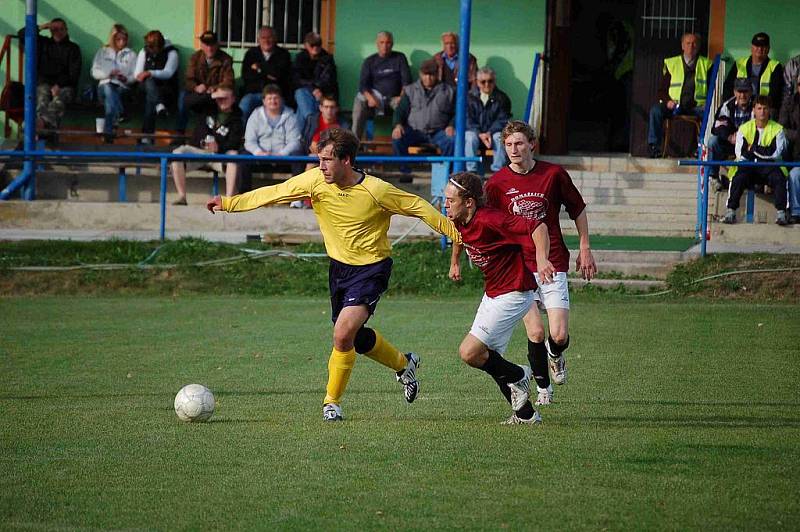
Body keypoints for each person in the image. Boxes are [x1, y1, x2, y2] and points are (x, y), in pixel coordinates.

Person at [206, 127, 463, 422]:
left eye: (328, 159)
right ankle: (405, 364)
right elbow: (275, 193)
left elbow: (418, 206)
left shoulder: (375, 190)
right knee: (352, 337)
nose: (322, 166)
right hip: (339, 270)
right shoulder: (315, 181)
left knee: (342, 334)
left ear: (347, 160)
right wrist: (229, 203)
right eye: (320, 159)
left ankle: (332, 403)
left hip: (372, 268)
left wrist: (459, 233)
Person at [450, 120, 597, 406]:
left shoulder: (553, 174)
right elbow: (468, 221)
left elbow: (577, 208)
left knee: (558, 334)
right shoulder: (496, 185)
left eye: (519, 143)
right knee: (535, 331)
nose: (514, 149)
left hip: (551, 261)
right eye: (508, 145)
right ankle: (543, 389)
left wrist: (585, 247)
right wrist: (459, 257)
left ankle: (555, 354)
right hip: (519, 268)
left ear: (532, 144)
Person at [445, 171, 553, 425]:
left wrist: (541, 258)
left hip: (515, 291)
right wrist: (455, 262)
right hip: (494, 291)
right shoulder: (460, 220)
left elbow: (538, 226)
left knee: (469, 352)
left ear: (469, 202)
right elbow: (458, 238)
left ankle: (519, 373)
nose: (445, 204)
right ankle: (526, 415)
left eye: (451, 200)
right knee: (488, 356)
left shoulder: (491, 220)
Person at [723, 95, 789, 226]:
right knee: (738, 177)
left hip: (769, 167)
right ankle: (730, 211)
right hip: (748, 166)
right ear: (754, 110)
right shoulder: (744, 128)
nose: (762, 112)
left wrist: (753, 148)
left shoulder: (778, 129)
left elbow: (775, 153)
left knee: (779, 178)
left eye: (765, 108)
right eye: (759, 108)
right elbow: (740, 154)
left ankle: (782, 213)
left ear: (769, 110)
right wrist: (763, 151)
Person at [170, 88, 243, 205]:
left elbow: (234, 143)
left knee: (234, 155)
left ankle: (230, 199)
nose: (221, 101)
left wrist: (219, 147)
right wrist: (211, 96)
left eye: (225, 98)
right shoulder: (207, 108)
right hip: (199, 151)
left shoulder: (237, 118)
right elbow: (188, 102)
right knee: (177, 153)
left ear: (233, 99)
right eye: (219, 98)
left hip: (220, 155)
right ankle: (182, 196)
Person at [647, 33, 711, 158]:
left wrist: (707, 103)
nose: (691, 46)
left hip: (696, 106)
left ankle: (701, 149)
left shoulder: (707, 64)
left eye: (694, 43)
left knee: (709, 114)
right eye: (688, 43)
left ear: (698, 47)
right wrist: (668, 101)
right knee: (655, 111)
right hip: (675, 105)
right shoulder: (672, 63)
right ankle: (654, 147)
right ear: (682, 46)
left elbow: (712, 90)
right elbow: (661, 90)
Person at [392, 59, 455, 175]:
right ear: (421, 74)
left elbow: (456, 113)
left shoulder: (449, 91)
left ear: (437, 74)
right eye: (425, 75)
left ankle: (446, 174)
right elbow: (400, 111)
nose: (428, 78)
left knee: (451, 140)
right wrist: (398, 125)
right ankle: (405, 172)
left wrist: (451, 125)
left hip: (439, 131)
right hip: (415, 131)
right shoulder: (410, 90)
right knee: (397, 138)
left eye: (431, 75)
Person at [17, 17, 82, 131]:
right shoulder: (43, 43)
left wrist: (59, 85)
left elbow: (74, 74)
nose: (59, 32)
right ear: (51, 30)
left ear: (66, 30)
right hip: (44, 83)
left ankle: (41, 124)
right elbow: (22, 35)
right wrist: (42, 27)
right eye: (55, 29)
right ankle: (42, 128)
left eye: (61, 29)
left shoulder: (73, 48)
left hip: (65, 86)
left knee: (59, 99)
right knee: (42, 96)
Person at [240, 84, 303, 192]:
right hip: (260, 157)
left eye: (276, 98)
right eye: (269, 98)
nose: (273, 101)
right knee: (243, 156)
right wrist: (258, 152)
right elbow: (249, 141)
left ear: (281, 100)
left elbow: (295, 141)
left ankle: (297, 196)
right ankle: (244, 195)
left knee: (298, 155)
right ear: (264, 101)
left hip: (283, 157)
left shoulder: (290, 115)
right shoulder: (256, 115)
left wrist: (282, 153)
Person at [351, 31, 412, 140]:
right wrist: (370, 98)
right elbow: (363, 85)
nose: (385, 45)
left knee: (404, 105)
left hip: (394, 99)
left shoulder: (400, 58)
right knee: (359, 102)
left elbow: (407, 82)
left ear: (392, 44)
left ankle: (400, 142)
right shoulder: (369, 61)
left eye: (388, 42)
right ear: (377, 44)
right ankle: (354, 143)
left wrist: (401, 97)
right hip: (374, 100)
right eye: (382, 42)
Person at [176, 31, 235, 137]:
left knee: (211, 103)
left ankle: (207, 135)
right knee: (182, 98)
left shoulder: (225, 59)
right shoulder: (195, 58)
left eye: (212, 45)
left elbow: (229, 81)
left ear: (217, 45)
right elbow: (188, 79)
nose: (209, 48)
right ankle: (179, 134)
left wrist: (214, 88)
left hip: (214, 94)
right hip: (198, 93)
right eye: (207, 45)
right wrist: (196, 87)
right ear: (202, 45)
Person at [91, 24, 137, 143]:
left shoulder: (131, 54)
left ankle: (108, 134)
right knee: (108, 87)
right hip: (104, 85)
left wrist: (125, 78)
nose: (121, 42)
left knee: (111, 99)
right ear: (112, 39)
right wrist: (108, 75)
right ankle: (120, 112)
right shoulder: (102, 52)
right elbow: (94, 71)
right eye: (118, 39)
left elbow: (135, 75)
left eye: (124, 39)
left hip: (121, 88)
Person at [708, 78, 753, 190]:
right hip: (730, 143)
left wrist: (742, 137)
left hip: (749, 144)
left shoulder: (757, 105)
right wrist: (728, 136)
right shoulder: (727, 106)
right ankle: (713, 177)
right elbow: (717, 126)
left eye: (745, 91)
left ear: (751, 92)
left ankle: (757, 182)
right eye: (739, 91)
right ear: (734, 92)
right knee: (713, 141)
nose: (742, 95)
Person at [239, 26, 292, 123]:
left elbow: (278, 76)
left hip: (275, 95)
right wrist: (267, 73)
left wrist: (259, 69)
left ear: (275, 39)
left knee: (288, 112)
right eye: (263, 38)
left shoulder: (283, 54)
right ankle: (240, 135)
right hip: (254, 93)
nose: (266, 41)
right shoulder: (251, 54)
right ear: (258, 40)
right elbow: (246, 76)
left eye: (269, 37)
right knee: (244, 106)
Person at [723, 32, 783, 116]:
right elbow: (728, 87)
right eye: (757, 46)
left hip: (763, 108)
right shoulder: (739, 63)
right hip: (741, 106)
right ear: (751, 47)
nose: (760, 48)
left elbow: (775, 94)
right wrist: (732, 104)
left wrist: (757, 106)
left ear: (768, 49)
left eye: (763, 46)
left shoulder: (775, 66)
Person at [135, 30, 179, 142]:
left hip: (165, 89)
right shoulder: (144, 51)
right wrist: (146, 75)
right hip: (143, 88)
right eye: (149, 48)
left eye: (153, 49)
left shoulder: (172, 53)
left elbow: (168, 73)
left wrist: (151, 73)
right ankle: (159, 105)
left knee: (151, 99)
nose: (151, 51)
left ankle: (146, 137)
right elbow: (137, 74)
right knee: (149, 82)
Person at [465, 67, 511, 172]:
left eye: (490, 81)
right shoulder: (469, 97)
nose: (487, 84)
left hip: (492, 133)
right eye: (483, 81)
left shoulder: (502, 98)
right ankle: (471, 171)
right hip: (475, 132)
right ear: (477, 82)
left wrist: (489, 132)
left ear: (494, 81)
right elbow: (467, 119)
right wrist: (480, 133)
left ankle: (498, 171)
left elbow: (503, 119)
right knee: (470, 137)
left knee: (500, 137)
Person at [292, 32, 338, 128]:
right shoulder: (300, 58)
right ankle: (311, 121)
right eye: (312, 45)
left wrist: (317, 89)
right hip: (308, 91)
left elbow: (328, 80)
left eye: (318, 44)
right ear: (306, 45)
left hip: (323, 93)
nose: (315, 48)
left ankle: (302, 135)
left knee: (301, 110)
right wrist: (313, 89)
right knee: (300, 93)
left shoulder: (327, 58)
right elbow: (296, 79)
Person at [779, 76, 800, 224]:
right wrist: (797, 135)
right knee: (794, 174)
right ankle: (796, 212)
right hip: (794, 152)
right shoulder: (789, 103)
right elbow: (782, 128)